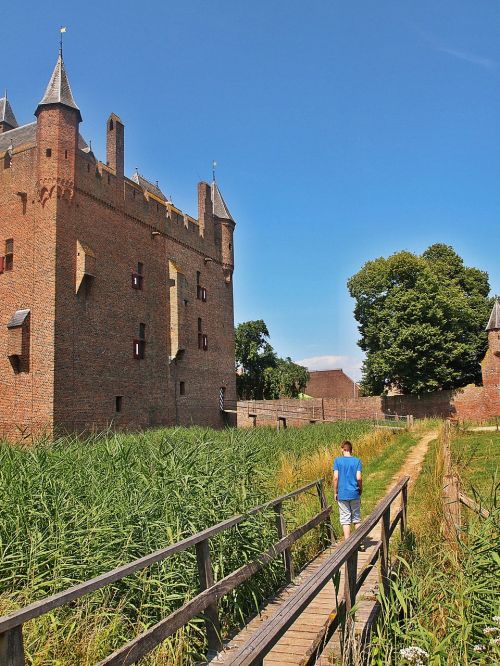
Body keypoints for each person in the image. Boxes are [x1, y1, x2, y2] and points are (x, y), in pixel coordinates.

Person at [333, 440, 363, 543]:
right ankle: (360, 542)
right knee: (356, 518)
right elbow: (359, 478)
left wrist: (335, 492)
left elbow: (336, 477)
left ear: (342, 449)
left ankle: (347, 543)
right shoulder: (357, 461)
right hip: (354, 493)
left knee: (345, 519)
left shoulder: (337, 461)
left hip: (342, 494)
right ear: (351, 450)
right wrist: (360, 489)